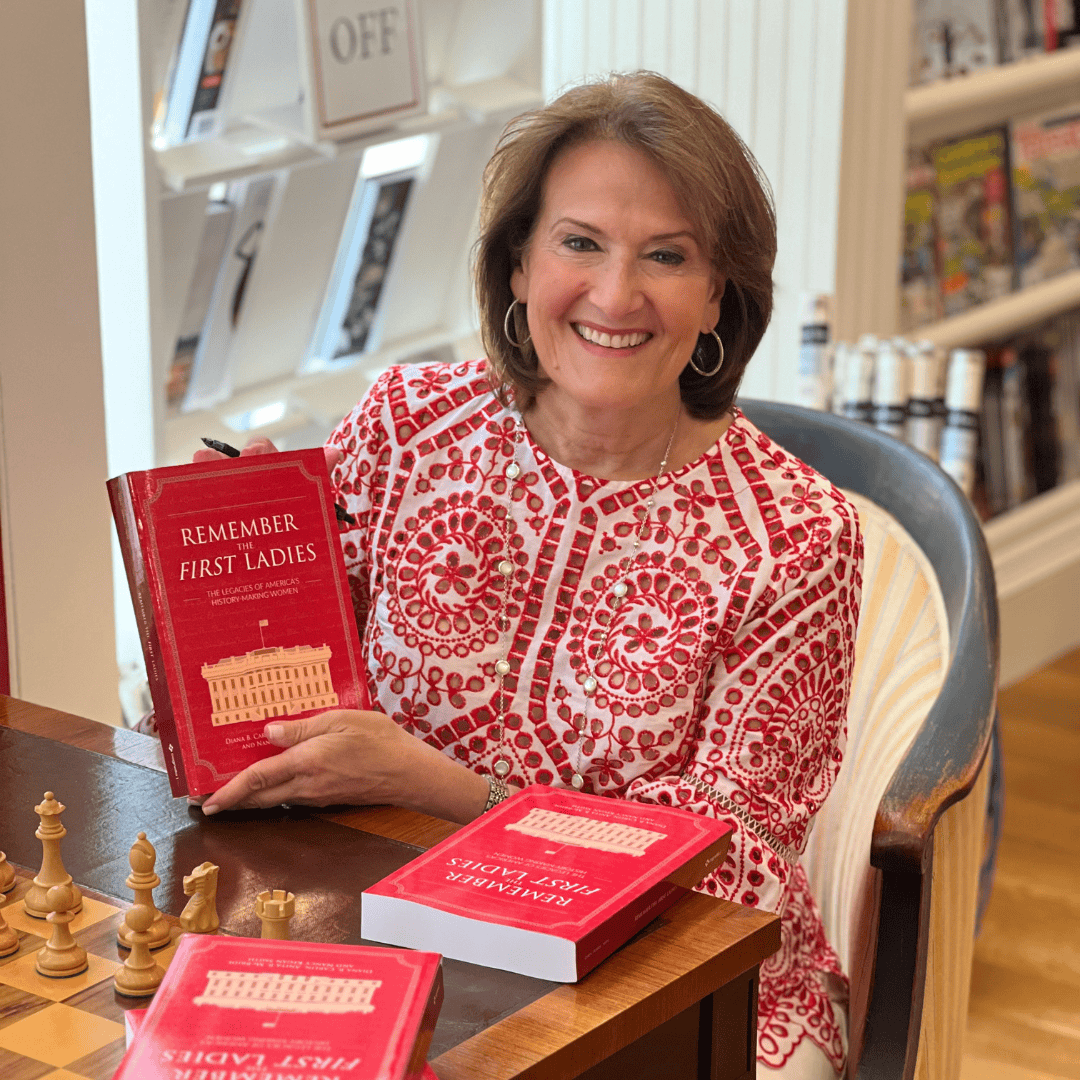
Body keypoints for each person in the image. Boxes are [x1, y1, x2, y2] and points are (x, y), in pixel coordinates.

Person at [195, 73, 862, 1077]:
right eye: (580, 242)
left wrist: (454, 792)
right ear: (516, 263)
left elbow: (742, 865)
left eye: (667, 256)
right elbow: (289, 695)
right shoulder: (407, 423)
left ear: (721, 292)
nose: (615, 294)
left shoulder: (799, 536)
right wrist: (225, 559)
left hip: (675, 980)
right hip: (382, 912)